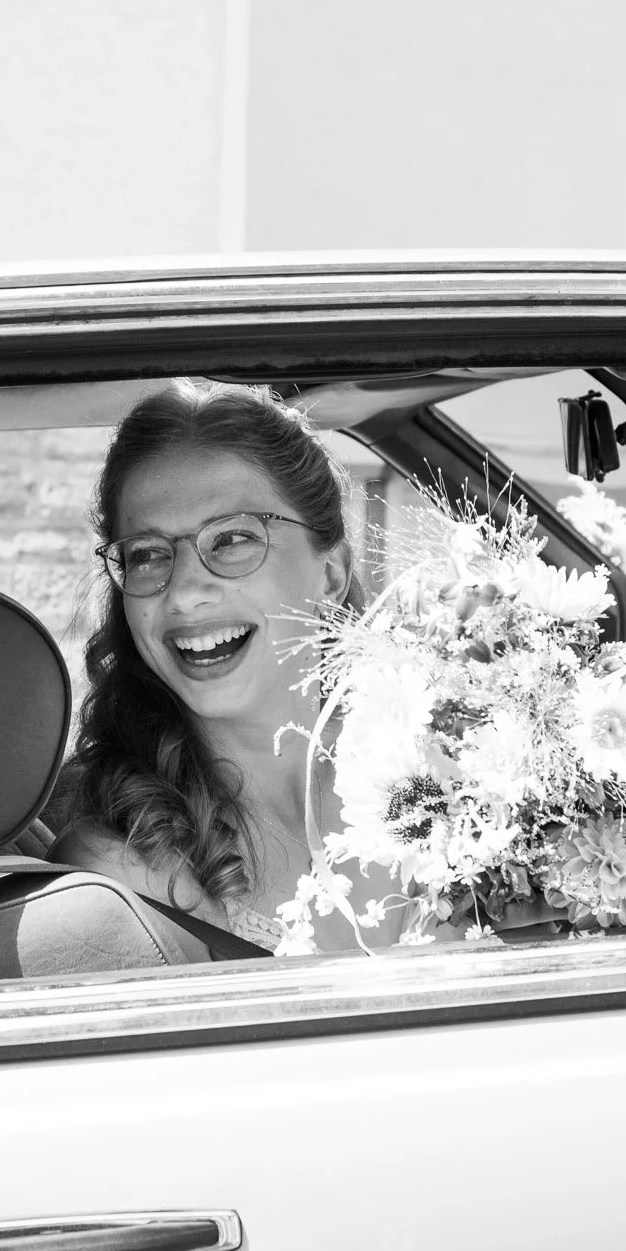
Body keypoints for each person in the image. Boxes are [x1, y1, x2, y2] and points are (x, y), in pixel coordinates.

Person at [53, 380, 406, 955]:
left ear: (332, 574)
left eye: (234, 539)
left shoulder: (450, 764)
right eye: (147, 554)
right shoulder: (119, 879)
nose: (186, 592)